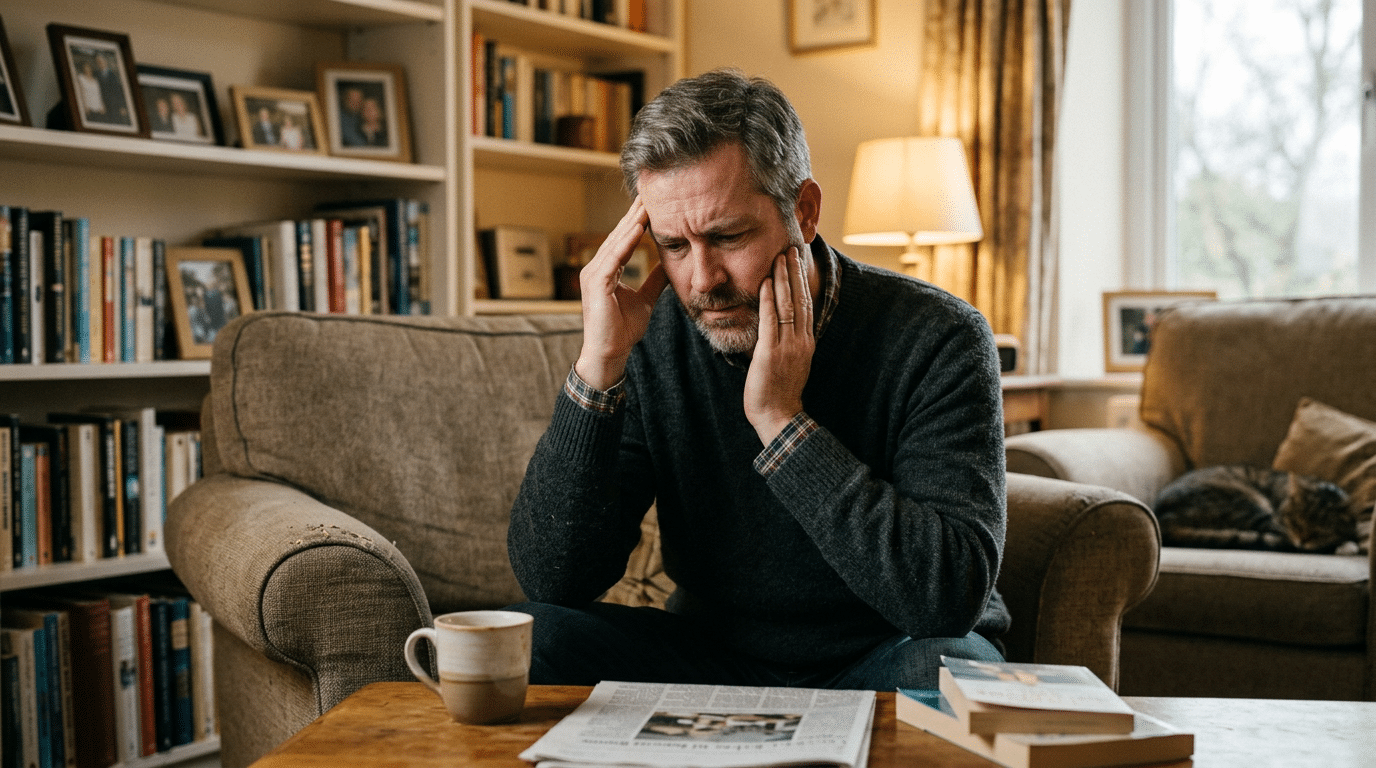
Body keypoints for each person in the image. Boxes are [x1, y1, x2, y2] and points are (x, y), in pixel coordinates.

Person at [506, 68, 1010, 692]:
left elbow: (945, 599)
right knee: (528, 639)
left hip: (890, 649)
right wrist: (598, 368)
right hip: (715, 652)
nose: (703, 280)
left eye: (728, 236)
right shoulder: (651, 338)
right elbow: (554, 582)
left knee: (950, 674)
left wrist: (781, 421)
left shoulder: (939, 336)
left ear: (803, 211)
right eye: (675, 245)